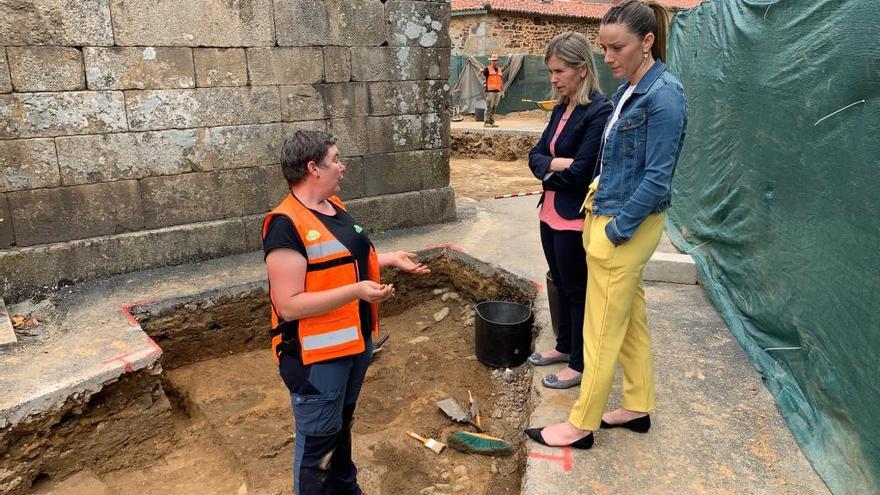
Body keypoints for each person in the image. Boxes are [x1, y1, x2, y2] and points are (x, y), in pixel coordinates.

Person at [526, 0, 688, 449]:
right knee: (630, 318)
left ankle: (581, 423)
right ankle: (637, 405)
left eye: (618, 47)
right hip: (607, 216)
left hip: (624, 226)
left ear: (648, 42)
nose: (609, 57)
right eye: (604, 47)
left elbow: (658, 175)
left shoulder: (664, 94)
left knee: (598, 329)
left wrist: (618, 229)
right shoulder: (628, 92)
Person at [262, 129, 430, 494]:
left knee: (340, 429)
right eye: (335, 159)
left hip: (353, 346)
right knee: (318, 449)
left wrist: (388, 259)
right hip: (315, 359)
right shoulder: (285, 226)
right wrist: (356, 292)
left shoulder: (333, 207)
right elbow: (289, 304)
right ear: (313, 168)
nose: (343, 166)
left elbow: (342, 263)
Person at [526, 32, 612, 391]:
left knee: (577, 290)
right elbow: (534, 156)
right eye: (550, 71)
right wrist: (556, 164)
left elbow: (583, 173)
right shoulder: (562, 108)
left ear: (581, 69)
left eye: (559, 71)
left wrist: (552, 167)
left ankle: (579, 364)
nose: (553, 79)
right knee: (559, 283)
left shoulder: (599, 110)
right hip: (549, 212)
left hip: (574, 217)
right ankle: (564, 347)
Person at [482, 53, 504, 128]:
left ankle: (492, 122)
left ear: (497, 61)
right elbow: (482, 76)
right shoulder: (487, 69)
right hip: (490, 91)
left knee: (494, 107)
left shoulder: (499, 70)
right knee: (489, 107)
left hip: (497, 91)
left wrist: (502, 91)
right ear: (491, 61)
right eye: (493, 60)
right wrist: (484, 83)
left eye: (495, 60)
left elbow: (500, 81)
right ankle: (486, 122)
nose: (494, 62)